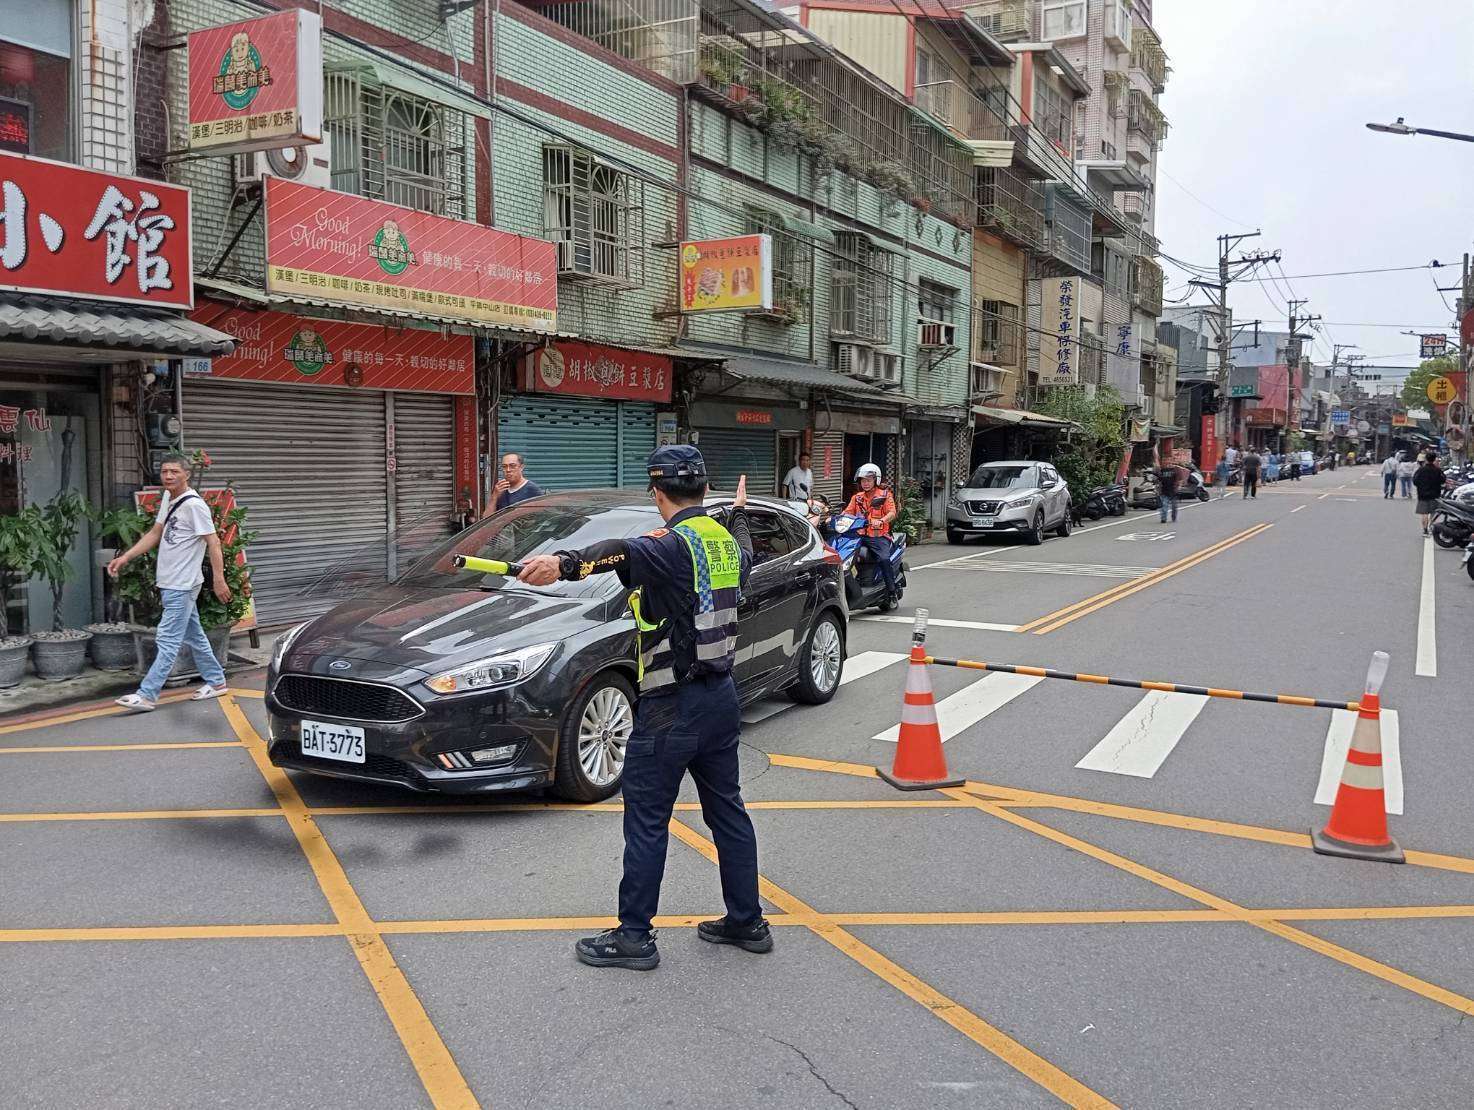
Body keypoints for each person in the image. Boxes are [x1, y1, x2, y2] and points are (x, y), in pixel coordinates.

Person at [516, 446, 767, 970]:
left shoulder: (669, 546)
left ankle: (634, 937)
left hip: (672, 704)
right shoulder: (722, 541)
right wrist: (739, 513)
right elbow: (745, 554)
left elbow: (618, 552)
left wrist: (562, 563)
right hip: (721, 699)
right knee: (728, 812)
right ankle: (747, 921)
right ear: (704, 488)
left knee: (647, 821)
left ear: (657, 494)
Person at [109, 454, 232, 711]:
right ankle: (217, 681)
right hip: (170, 581)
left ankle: (147, 694)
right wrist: (126, 557)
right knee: (193, 634)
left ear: (187, 474)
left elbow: (213, 542)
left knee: (167, 639)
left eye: (174, 471)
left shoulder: (194, 506)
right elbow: (155, 533)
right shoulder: (169, 497)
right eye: (165, 471)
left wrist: (219, 580)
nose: (168, 476)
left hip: (183, 584)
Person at [842, 463, 898, 601]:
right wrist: (833, 519)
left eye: (868, 480)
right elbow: (847, 513)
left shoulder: (884, 496)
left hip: (878, 537)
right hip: (858, 535)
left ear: (875, 480)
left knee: (884, 559)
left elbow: (892, 512)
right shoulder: (857, 497)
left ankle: (892, 591)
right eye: (863, 480)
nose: (865, 483)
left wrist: (882, 520)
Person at [1413, 453, 1444, 535]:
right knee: (1433, 512)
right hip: (1435, 494)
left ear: (1426, 459)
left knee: (1424, 513)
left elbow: (1415, 481)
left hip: (1422, 495)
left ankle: (1425, 530)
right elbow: (1443, 480)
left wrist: (1421, 486)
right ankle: (1430, 526)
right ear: (1434, 460)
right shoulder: (1437, 470)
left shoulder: (1421, 470)